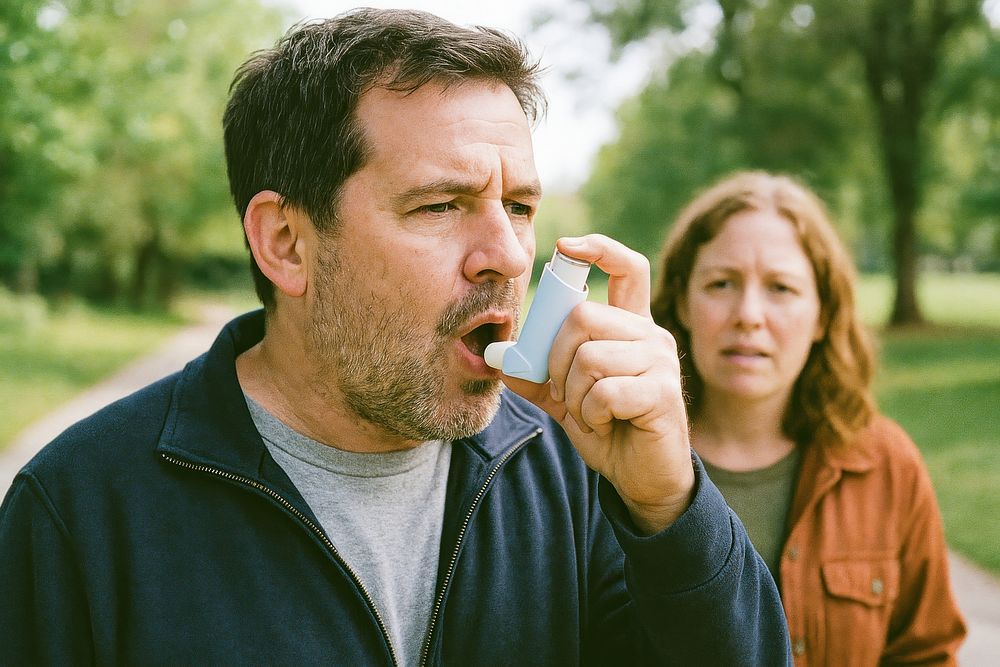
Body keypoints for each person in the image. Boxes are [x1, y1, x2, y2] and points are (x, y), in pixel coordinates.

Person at [0, 10, 791, 665]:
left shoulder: (571, 475)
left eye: (518, 205)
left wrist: (670, 508)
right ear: (285, 242)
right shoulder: (78, 511)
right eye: (441, 205)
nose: (512, 255)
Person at [650, 170, 967, 665]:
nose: (749, 314)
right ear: (682, 303)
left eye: (780, 288)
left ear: (823, 314)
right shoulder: (614, 465)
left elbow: (925, 653)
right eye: (721, 283)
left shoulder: (887, 466)